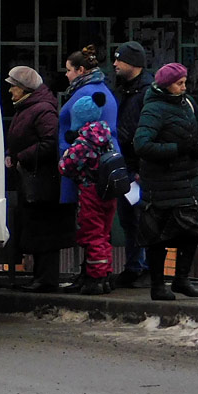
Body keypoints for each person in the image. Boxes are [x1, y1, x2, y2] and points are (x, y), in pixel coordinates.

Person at [132, 62, 198, 301]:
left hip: (187, 181)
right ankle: (157, 285)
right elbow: (142, 144)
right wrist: (177, 149)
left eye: (185, 82)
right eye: (179, 83)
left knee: (192, 232)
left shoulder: (188, 103)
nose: (184, 87)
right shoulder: (153, 109)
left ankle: (181, 279)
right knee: (158, 237)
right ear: (166, 86)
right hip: (161, 186)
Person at [5, 66, 76, 293]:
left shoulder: (42, 110)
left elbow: (49, 142)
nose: (10, 91)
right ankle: (40, 277)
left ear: (24, 89)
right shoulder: (27, 107)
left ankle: (46, 279)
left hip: (42, 183)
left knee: (45, 230)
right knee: (36, 228)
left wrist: (20, 157)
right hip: (31, 180)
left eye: (13, 86)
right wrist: (11, 153)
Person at [58, 93, 117, 295]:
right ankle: (106, 275)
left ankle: (96, 278)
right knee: (103, 234)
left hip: (90, 191)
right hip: (108, 192)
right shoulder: (106, 137)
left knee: (92, 234)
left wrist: (66, 153)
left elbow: (65, 167)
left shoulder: (83, 144)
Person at [111, 41, 153, 288]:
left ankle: (144, 268)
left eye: (119, 60)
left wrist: (139, 168)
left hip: (137, 169)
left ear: (134, 63)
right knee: (128, 219)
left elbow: (144, 131)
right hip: (125, 165)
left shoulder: (146, 92)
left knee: (141, 219)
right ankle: (133, 267)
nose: (115, 64)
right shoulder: (123, 89)